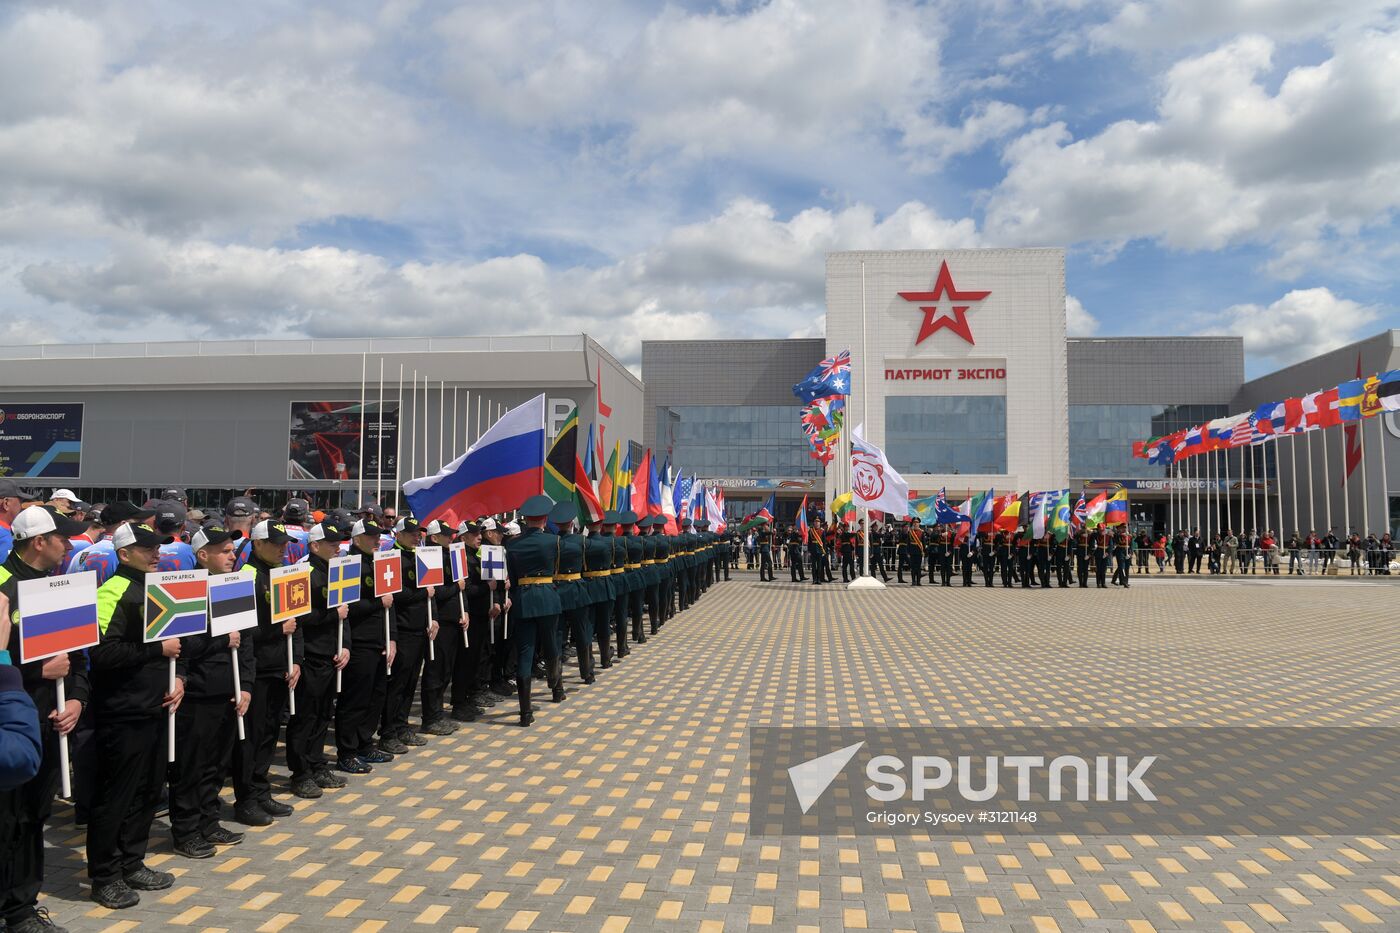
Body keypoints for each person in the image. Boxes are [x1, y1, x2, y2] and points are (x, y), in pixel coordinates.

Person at [1, 506, 91, 931]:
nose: (70, 544)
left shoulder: (64, 585)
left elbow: (78, 659)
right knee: (8, 820)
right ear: (39, 542)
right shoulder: (2, 587)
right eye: (63, 537)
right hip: (12, 728)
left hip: (52, 724)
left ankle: (22, 905)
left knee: (33, 818)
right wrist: (39, 672)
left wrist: (76, 700)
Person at [87, 520, 184, 909]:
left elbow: (179, 641)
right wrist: (155, 653)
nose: (156, 553)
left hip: (156, 706)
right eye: (147, 549)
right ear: (124, 554)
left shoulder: (157, 586)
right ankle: (104, 876)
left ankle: (133, 861)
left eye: (157, 547)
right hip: (122, 712)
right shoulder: (113, 590)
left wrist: (181, 679)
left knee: (146, 792)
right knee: (116, 796)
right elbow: (101, 654)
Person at [169, 522, 253, 859]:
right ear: (203, 555)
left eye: (232, 550)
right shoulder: (187, 590)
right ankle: (186, 830)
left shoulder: (233, 585)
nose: (232, 556)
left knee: (216, 765)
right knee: (191, 766)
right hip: (199, 694)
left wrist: (245, 685)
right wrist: (220, 638)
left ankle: (208, 820)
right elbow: (183, 645)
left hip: (228, 692)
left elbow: (244, 641)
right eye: (224, 551)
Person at [285, 522, 353, 800]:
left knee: (324, 714)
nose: (338, 547)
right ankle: (300, 773)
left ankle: (316, 764)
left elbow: (345, 612)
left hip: (332, 654)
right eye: (331, 543)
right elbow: (301, 617)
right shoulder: (305, 574)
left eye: (338, 542)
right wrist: (332, 615)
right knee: (305, 717)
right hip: (312, 656)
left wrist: (346, 645)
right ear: (314, 546)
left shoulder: (338, 570)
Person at [504, 496, 562, 727]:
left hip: (524, 599)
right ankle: (555, 686)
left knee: (525, 653)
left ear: (526, 520)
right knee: (551, 644)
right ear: (545, 519)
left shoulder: (512, 544)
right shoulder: (553, 541)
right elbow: (555, 571)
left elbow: (514, 577)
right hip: (548, 597)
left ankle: (525, 712)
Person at [380, 518, 433, 755]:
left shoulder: (418, 555)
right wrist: (421, 593)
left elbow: (431, 590)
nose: (416, 536)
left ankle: (401, 725)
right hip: (402, 629)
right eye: (411, 533)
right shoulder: (390, 557)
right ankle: (388, 731)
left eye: (418, 533)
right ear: (398, 535)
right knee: (398, 684)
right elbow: (393, 595)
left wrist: (434, 618)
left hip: (419, 627)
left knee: (411, 682)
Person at [418, 520, 466, 732]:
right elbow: (436, 592)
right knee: (435, 672)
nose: (451, 538)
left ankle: (438, 714)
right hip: (441, 622)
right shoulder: (430, 557)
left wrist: (464, 611)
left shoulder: (451, 555)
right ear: (434, 538)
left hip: (453, 620)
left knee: (446, 670)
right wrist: (456, 587)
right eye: (446, 535)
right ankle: (431, 717)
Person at [550, 502, 586, 695]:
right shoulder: (580, 541)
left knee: (558, 638)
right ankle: (586, 671)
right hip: (576, 591)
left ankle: (557, 687)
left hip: (557, 590)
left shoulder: (552, 541)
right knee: (581, 633)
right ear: (572, 522)